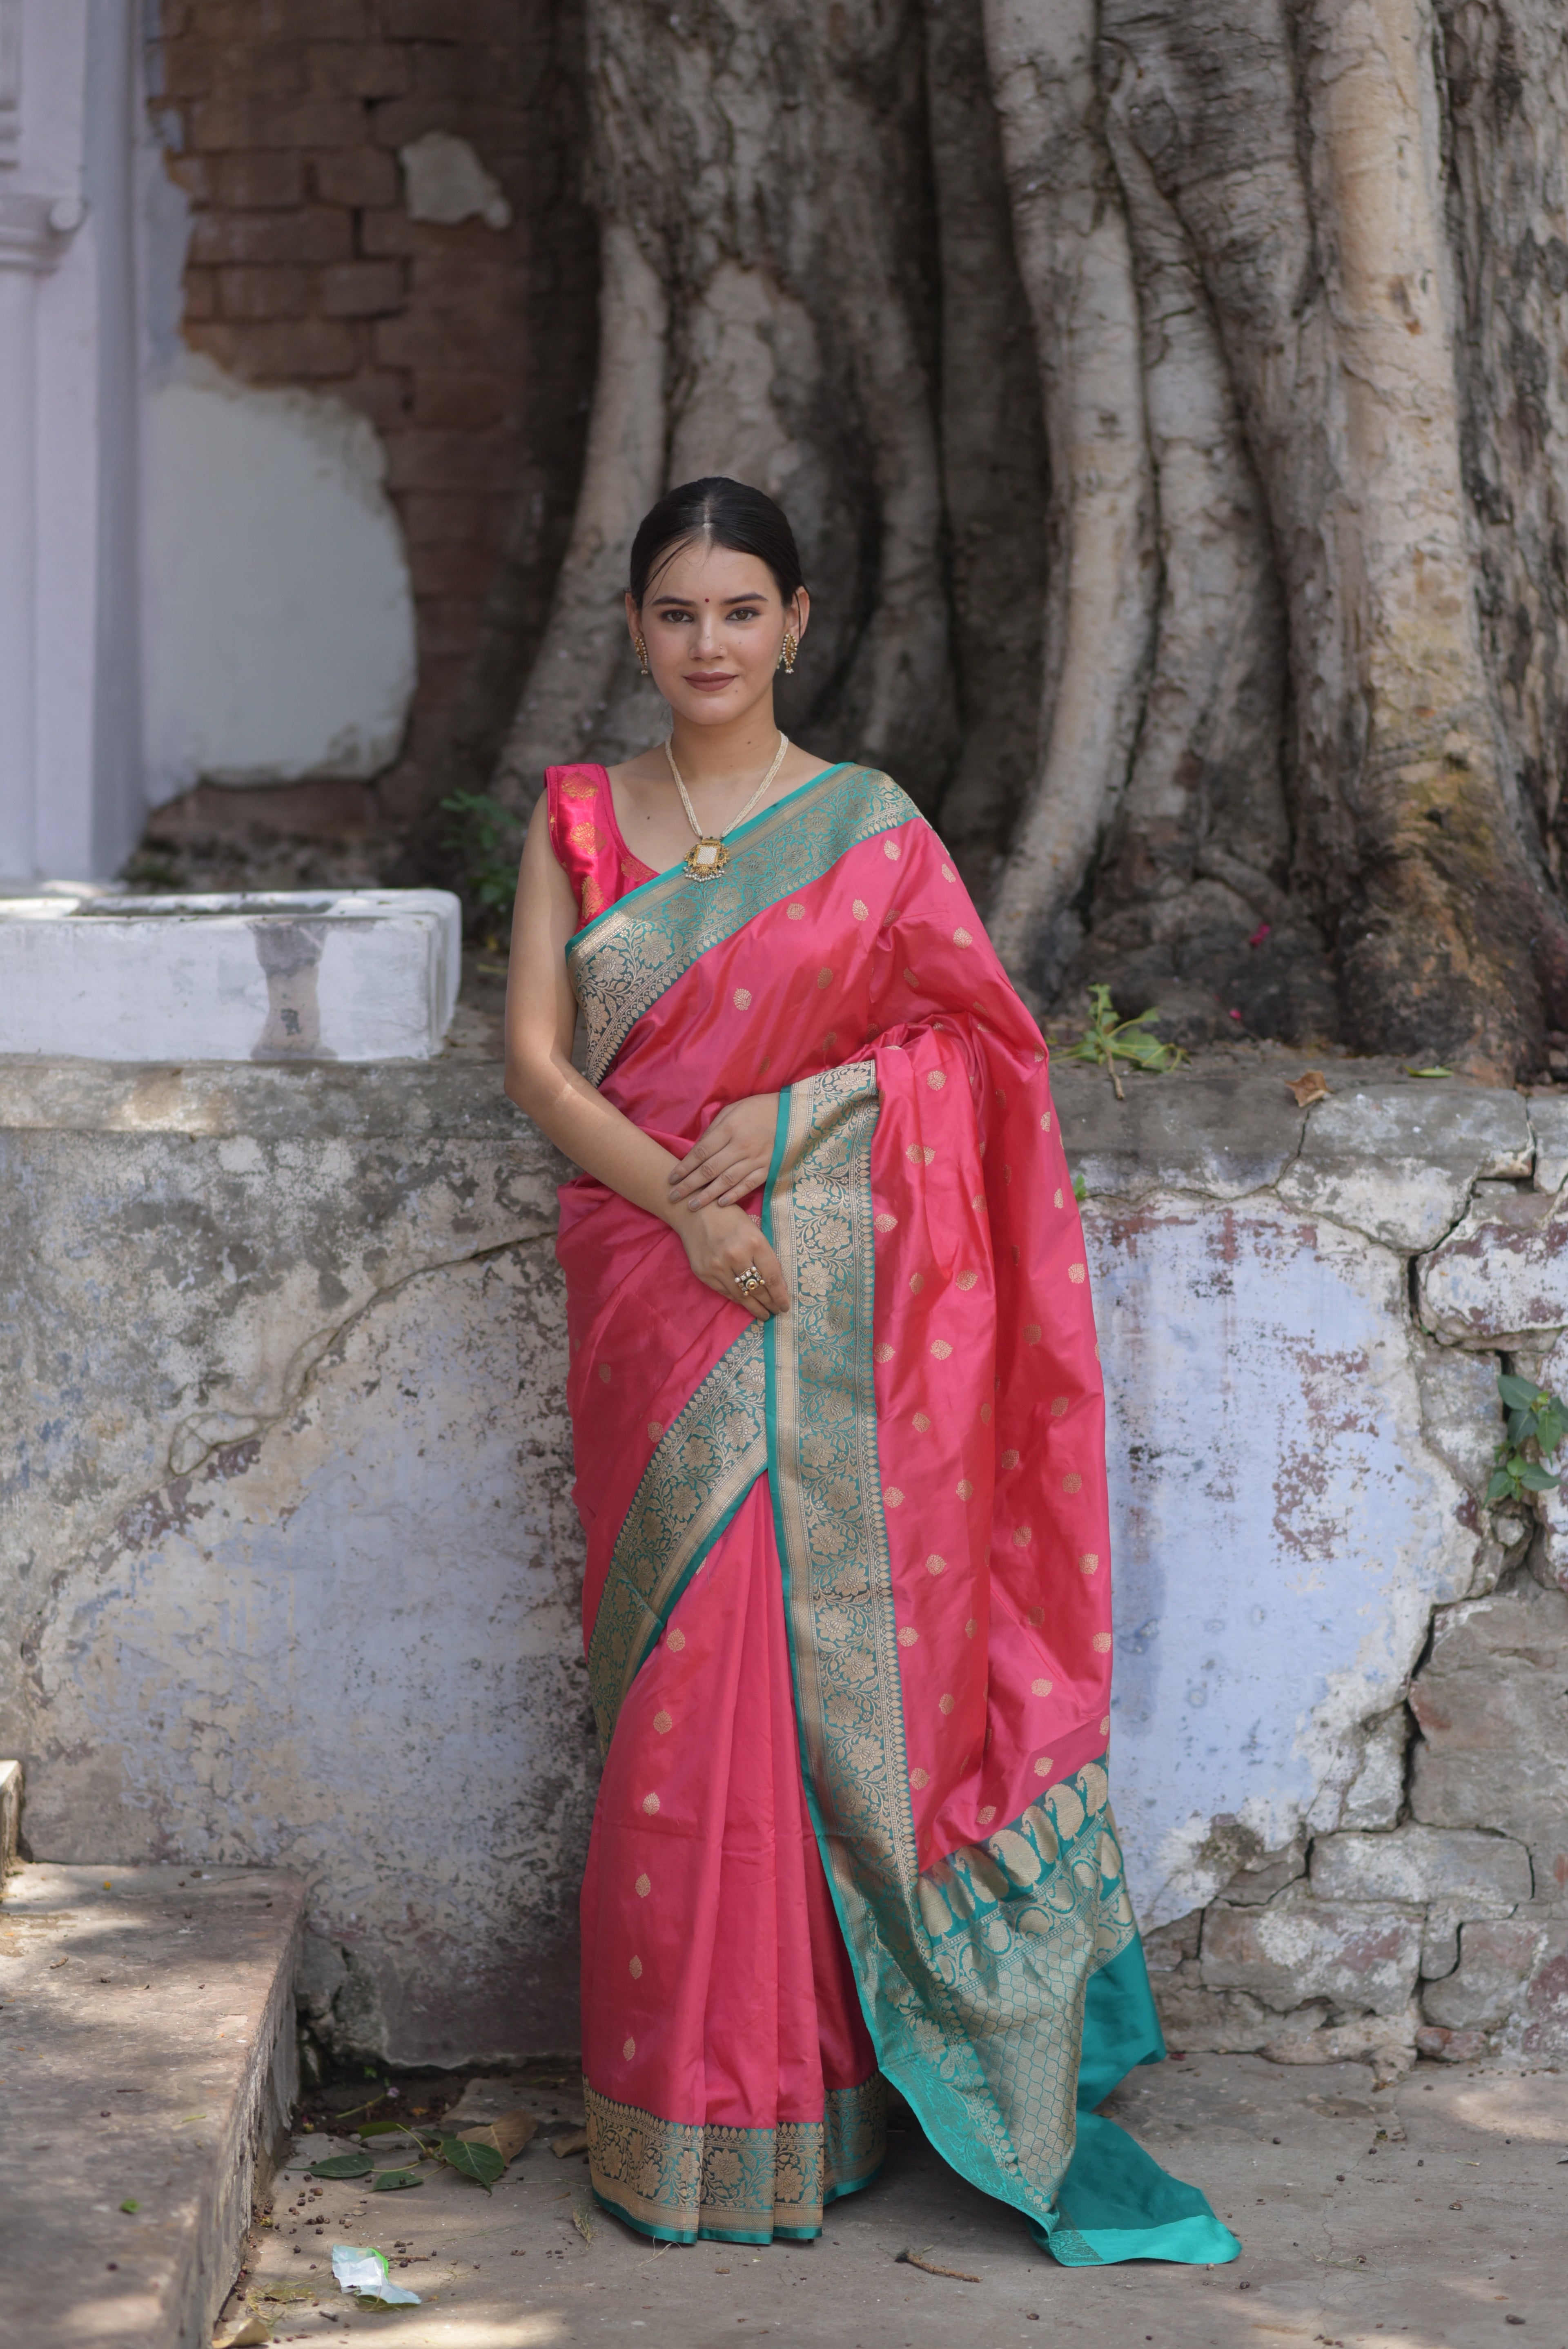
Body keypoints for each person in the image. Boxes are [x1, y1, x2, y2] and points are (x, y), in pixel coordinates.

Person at [503, 476, 1238, 2266]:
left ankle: (818, 2095)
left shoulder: (872, 831)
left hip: (823, 1297)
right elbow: (535, 1062)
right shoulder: (583, 817)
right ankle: (691, 2111)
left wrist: (799, 1116)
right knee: (685, 1699)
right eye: (676, 615)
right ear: (635, 631)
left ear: (799, 622)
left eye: (738, 612)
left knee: (784, 1675)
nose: (707, 644)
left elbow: (974, 1059)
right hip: (653, 1284)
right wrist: (685, 1216)